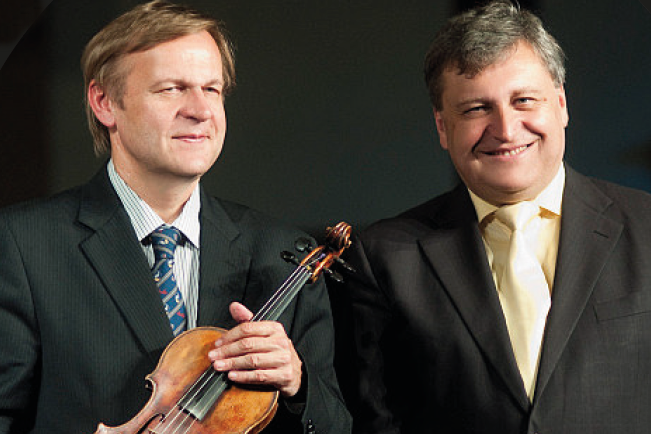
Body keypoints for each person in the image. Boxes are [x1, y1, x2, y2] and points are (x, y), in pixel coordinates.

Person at [0, 1, 351, 433]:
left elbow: (336, 425)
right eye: (171, 89)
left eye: (212, 89)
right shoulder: (23, 245)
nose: (200, 110)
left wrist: (297, 385)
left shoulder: (282, 253)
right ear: (104, 102)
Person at [340, 1, 651, 433]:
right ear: (442, 128)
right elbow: (375, 421)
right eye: (476, 109)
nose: (505, 129)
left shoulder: (646, 226)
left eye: (524, 100)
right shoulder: (383, 258)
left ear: (561, 104)